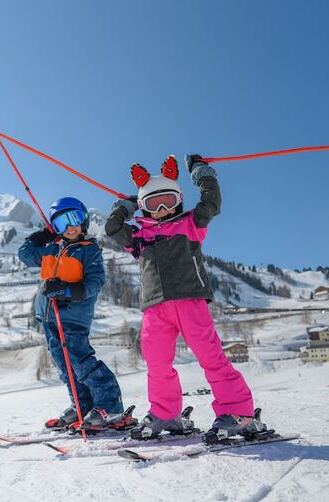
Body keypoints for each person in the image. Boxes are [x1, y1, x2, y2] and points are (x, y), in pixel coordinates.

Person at [105, 154, 262, 442]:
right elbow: (112, 229)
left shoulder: (191, 224)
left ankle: (238, 412)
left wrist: (201, 172)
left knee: (210, 358)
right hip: (155, 308)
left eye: (167, 200)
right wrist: (125, 207)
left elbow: (211, 202)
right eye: (153, 204)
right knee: (157, 364)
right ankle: (166, 413)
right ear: (144, 207)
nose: (162, 209)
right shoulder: (140, 237)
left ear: (178, 199)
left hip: (190, 301)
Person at [19, 197, 134, 431]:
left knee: (82, 363)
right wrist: (40, 236)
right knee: (66, 369)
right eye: (62, 223)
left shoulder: (89, 251)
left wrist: (66, 290)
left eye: (75, 219)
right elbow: (25, 254)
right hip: (49, 318)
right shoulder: (50, 249)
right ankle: (82, 406)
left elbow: (94, 283)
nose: (70, 227)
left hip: (72, 318)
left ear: (84, 221)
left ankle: (109, 405)